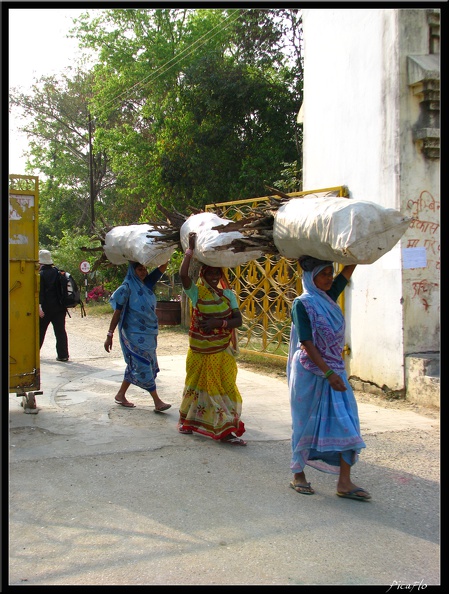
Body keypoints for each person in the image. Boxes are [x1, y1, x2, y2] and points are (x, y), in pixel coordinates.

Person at [287, 255, 371, 501]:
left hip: (334, 370)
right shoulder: (302, 304)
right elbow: (307, 342)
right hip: (311, 372)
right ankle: (298, 474)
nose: (329, 278)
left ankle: (344, 482)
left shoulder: (328, 297)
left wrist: (355, 250)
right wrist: (328, 373)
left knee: (347, 422)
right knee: (303, 424)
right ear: (311, 278)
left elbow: (347, 272)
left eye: (330, 273)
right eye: (324, 274)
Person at [177, 232, 247, 445]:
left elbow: (238, 320)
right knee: (195, 386)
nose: (215, 277)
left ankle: (224, 426)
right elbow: (183, 276)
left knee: (224, 386)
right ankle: (190, 421)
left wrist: (219, 324)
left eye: (218, 273)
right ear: (203, 275)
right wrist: (189, 250)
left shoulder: (228, 295)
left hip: (221, 351)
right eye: (210, 274)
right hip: (199, 351)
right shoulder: (197, 293)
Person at [104, 260, 172, 412]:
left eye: (144, 269)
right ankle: (157, 401)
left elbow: (162, 266)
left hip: (149, 333)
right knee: (142, 364)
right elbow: (117, 313)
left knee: (138, 363)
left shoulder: (147, 283)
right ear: (132, 270)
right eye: (139, 269)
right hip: (133, 334)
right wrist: (110, 334)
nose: (143, 272)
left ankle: (120, 394)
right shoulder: (126, 288)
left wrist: (165, 252)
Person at [38, 249, 69, 362]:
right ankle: (63, 355)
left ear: (40, 263)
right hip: (60, 308)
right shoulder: (57, 272)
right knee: (60, 332)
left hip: (46, 309)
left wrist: (39, 307)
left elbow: (40, 293)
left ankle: (35, 354)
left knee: (40, 332)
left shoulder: (41, 274)